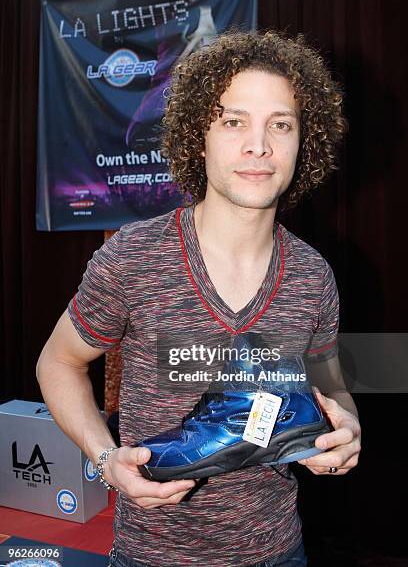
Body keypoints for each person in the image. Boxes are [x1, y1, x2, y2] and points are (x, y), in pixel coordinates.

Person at [37, 30, 361, 567]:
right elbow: (58, 363)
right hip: (153, 556)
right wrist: (103, 457)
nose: (259, 145)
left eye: (280, 124)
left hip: (280, 550)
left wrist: (345, 426)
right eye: (234, 122)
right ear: (198, 136)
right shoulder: (134, 256)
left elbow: (330, 386)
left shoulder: (313, 275)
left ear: (304, 141)